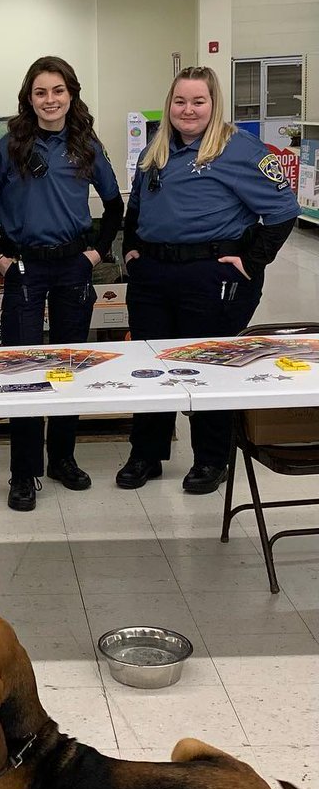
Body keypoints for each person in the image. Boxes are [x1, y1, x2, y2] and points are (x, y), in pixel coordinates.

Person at [117, 65, 300, 494]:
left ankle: (212, 459)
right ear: (169, 104)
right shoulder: (155, 150)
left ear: (214, 104)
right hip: (154, 276)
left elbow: (283, 210)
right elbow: (136, 206)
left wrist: (252, 262)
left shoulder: (240, 150)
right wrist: (131, 249)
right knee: (150, 366)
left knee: (207, 367)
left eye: (198, 101)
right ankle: (146, 454)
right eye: (180, 101)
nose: (188, 109)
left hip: (212, 276)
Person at [0, 56, 123, 512]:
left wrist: (95, 254)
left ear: (71, 94)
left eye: (58, 91)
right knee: (23, 369)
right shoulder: (10, 146)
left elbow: (115, 206)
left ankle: (62, 458)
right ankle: (24, 472)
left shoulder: (86, 144)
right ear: (29, 97)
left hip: (73, 268)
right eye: (40, 92)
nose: (50, 100)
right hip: (24, 268)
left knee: (68, 365)